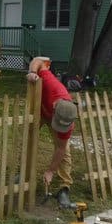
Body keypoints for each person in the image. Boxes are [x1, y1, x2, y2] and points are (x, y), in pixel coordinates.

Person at [26, 56, 78, 208]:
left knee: (65, 152)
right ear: (55, 107)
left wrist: (50, 171)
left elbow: (60, 149)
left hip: (50, 114)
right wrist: (32, 72)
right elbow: (39, 60)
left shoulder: (68, 118)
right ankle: (25, 174)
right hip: (40, 111)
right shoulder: (52, 84)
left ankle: (64, 188)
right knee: (29, 139)